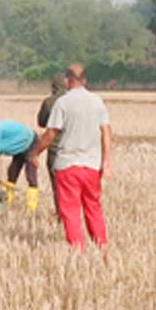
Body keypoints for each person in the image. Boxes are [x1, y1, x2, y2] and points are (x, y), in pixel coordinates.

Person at [30, 64, 112, 252]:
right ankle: (102, 247)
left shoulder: (62, 103)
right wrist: (106, 161)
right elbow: (106, 131)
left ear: (68, 81)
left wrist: (35, 153)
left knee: (71, 210)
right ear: (85, 80)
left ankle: (78, 250)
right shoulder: (97, 101)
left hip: (67, 165)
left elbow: (50, 134)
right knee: (93, 207)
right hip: (92, 165)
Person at [37, 73, 67, 216]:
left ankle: (61, 215)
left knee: (57, 187)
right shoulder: (75, 101)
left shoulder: (49, 102)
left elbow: (41, 122)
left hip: (55, 151)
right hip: (75, 150)